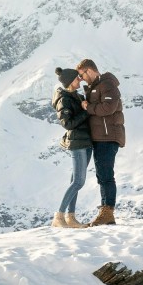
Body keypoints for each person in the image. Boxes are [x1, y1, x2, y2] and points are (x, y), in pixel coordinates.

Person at [76, 58, 125, 225]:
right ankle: (105, 212)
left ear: (89, 70)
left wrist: (87, 107)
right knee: (102, 175)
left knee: (106, 175)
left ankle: (108, 213)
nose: (81, 78)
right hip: (100, 137)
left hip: (108, 136)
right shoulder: (95, 87)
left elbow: (108, 108)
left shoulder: (107, 84)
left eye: (82, 75)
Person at [51, 66, 93, 228]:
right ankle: (59, 216)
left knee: (75, 181)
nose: (80, 79)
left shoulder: (74, 95)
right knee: (78, 182)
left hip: (85, 142)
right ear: (70, 81)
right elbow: (68, 124)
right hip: (77, 143)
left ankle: (71, 218)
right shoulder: (64, 99)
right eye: (77, 78)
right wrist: (85, 111)